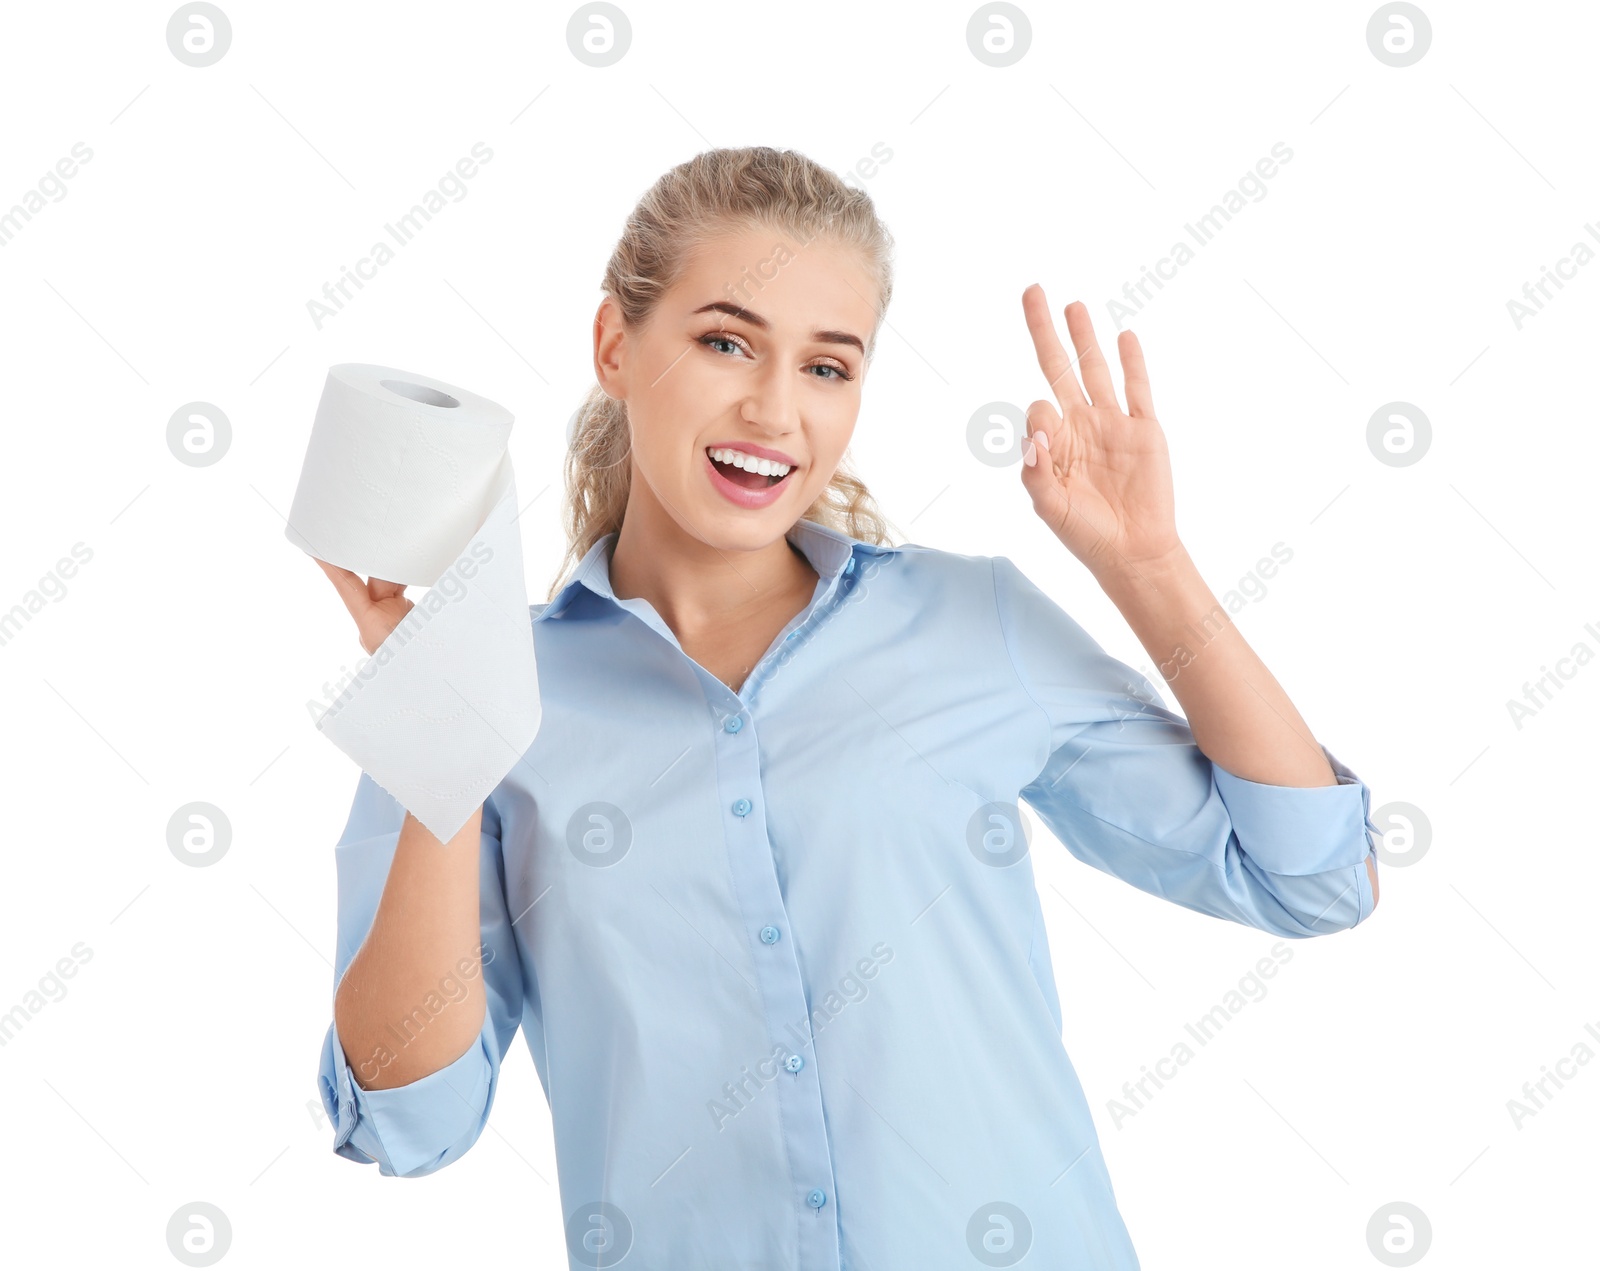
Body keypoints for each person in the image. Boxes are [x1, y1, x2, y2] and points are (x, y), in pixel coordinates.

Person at [311, 146, 1380, 1269]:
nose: (774, 409)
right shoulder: (475, 693)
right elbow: (410, 1118)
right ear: (615, 347)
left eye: (827, 367)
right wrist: (448, 742)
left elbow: (1311, 875)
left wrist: (1150, 564)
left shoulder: (971, 625)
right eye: (725, 342)